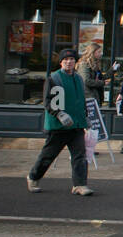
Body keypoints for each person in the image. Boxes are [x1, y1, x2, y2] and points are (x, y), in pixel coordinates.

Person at [26, 49, 92, 195]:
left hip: (76, 125)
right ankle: (33, 177)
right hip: (59, 126)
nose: (69, 62)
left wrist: (85, 116)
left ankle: (80, 185)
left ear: (75, 62)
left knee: (80, 156)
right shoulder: (54, 78)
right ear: (61, 62)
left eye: (72, 59)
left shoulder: (79, 79)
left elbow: (81, 100)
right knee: (48, 155)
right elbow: (48, 101)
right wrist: (59, 114)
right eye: (66, 59)